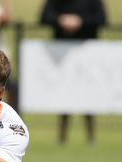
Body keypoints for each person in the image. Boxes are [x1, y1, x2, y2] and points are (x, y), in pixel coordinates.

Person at [40, 0, 106, 145]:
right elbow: (44, 17)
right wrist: (60, 20)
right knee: (64, 96)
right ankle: (62, 136)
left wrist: (80, 21)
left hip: (88, 54)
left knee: (88, 97)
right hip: (62, 55)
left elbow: (102, 18)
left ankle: (91, 137)